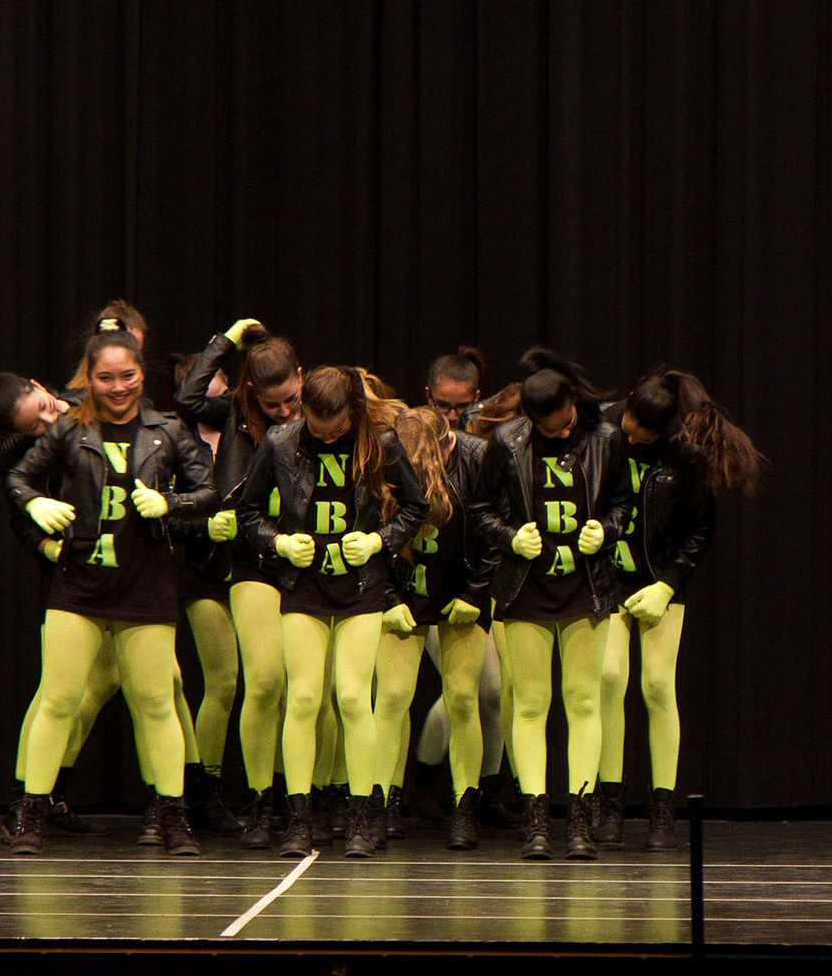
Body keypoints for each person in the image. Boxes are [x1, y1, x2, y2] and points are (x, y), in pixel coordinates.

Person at [5, 326, 217, 855]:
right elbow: (18, 478)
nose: (118, 387)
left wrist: (172, 504)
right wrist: (34, 503)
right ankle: (30, 811)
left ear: (142, 372)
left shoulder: (168, 430)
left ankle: (173, 815)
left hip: (146, 584)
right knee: (58, 699)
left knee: (156, 704)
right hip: (79, 583)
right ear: (90, 377)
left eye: (127, 375)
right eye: (105, 377)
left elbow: (209, 493)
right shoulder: (70, 429)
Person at [237, 366, 427, 858]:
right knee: (303, 697)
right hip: (303, 584)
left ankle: (361, 815)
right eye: (318, 429)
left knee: (352, 697)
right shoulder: (280, 442)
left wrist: (379, 541)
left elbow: (416, 507)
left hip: (361, 586)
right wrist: (279, 542)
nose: (327, 437)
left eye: (336, 429)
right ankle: (299, 818)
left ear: (353, 412)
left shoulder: (380, 441)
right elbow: (248, 512)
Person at [0, 374, 121, 841]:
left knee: (104, 680)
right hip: (70, 569)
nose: (49, 423)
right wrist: (48, 548)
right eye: (35, 426)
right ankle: (25, 798)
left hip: (118, 565)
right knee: (58, 690)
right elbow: (20, 517)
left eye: (47, 408)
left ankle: (52, 791)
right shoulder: (26, 453)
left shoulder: (86, 405)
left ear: (40, 385)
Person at [469, 348, 630, 861]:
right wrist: (510, 537)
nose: (563, 433)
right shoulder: (507, 442)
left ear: (574, 404)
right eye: (551, 428)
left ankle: (579, 819)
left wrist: (607, 529)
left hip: (586, 587)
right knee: (531, 703)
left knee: (583, 701)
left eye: (567, 423)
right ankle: (535, 818)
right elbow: (480, 508)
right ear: (530, 419)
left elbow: (623, 504)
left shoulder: (605, 438)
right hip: (526, 588)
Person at [598, 367, 764, 849]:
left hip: (659, 580)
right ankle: (609, 805)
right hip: (607, 578)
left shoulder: (687, 453)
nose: (631, 429)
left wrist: (668, 586)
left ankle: (662, 809)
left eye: (644, 429)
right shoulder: (603, 430)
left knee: (656, 685)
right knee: (608, 680)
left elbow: (700, 529)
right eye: (630, 417)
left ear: (666, 428)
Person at [174, 320, 303, 847]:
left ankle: (293, 797)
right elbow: (187, 397)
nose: (285, 412)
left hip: (297, 558)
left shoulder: (312, 419)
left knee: (293, 686)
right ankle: (248, 799)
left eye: (291, 399)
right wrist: (226, 340)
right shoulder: (233, 413)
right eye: (273, 404)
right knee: (257, 680)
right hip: (240, 559)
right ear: (251, 393)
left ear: (302, 378)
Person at [375, 405, 496, 849]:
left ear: (449, 441)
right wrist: (388, 599)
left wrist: (477, 593)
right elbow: (368, 535)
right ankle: (381, 802)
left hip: (460, 588)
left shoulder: (476, 457)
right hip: (406, 590)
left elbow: (497, 532)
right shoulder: (386, 458)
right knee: (392, 697)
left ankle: (465, 805)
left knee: (462, 696)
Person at [167, 351, 245, 835]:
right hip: (201, 571)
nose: (214, 395)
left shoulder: (244, 429)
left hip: (253, 566)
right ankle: (204, 790)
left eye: (218, 383)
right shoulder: (176, 439)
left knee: (270, 681)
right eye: (202, 387)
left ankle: (277, 792)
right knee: (223, 680)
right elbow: (162, 510)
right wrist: (202, 526)